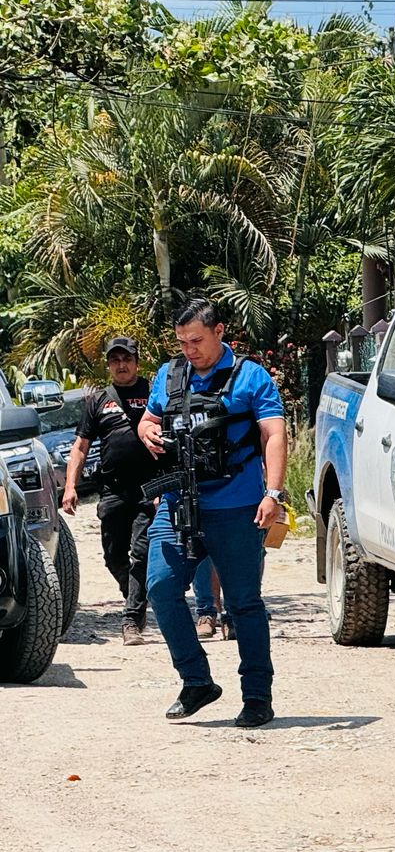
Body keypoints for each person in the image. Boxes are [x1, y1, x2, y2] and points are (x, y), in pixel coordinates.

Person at [137, 299, 288, 728]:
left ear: (219, 331)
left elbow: (274, 433)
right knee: (160, 587)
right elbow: (148, 419)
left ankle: (257, 696)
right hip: (177, 504)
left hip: (236, 506)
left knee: (243, 603)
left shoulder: (250, 376)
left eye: (197, 341)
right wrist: (148, 430)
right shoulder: (170, 374)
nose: (190, 350)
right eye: (182, 342)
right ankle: (196, 681)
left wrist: (273, 493)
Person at [61, 337, 159, 646]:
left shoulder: (154, 393)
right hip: (113, 489)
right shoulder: (98, 400)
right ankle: (133, 594)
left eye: (126, 358)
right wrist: (70, 486)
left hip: (150, 488)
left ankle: (131, 619)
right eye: (115, 360)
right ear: (108, 365)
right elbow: (80, 446)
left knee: (141, 552)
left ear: (136, 362)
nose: (121, 364)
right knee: (114, 555)